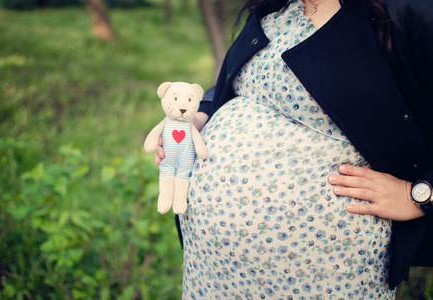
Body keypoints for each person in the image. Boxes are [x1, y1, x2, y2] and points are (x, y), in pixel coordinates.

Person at [154, 0, 433, 298]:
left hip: (325, 275)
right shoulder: (278, 5)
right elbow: (244, 79)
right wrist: (203, 113)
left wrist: (419, 194)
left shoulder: (408, 11)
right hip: (212, 270)